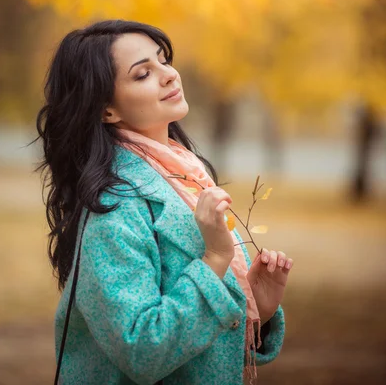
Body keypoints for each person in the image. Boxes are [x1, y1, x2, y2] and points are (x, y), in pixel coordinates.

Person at [36, 20, 294, 385]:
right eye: (143, 74)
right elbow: (143, 350)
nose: (169, 75)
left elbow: (197, 351)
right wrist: (215, 261)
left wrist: (254, 310)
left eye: (162, 60)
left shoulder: (183, 175)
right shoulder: (114, 208)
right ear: (106, 109)